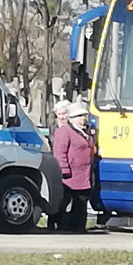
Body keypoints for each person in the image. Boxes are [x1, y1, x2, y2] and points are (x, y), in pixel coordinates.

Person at [49, 99, 93, 233]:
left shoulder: (86, 132)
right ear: (72, 118)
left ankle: (78, 226)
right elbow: (59, 152)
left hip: (84, 174)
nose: (82, 119)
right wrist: (64, 170)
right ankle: (55, 222)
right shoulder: (64, 131)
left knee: (81, 201)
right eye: (79, 116)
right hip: (70, 175)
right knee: (63, 201)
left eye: (83, 116)